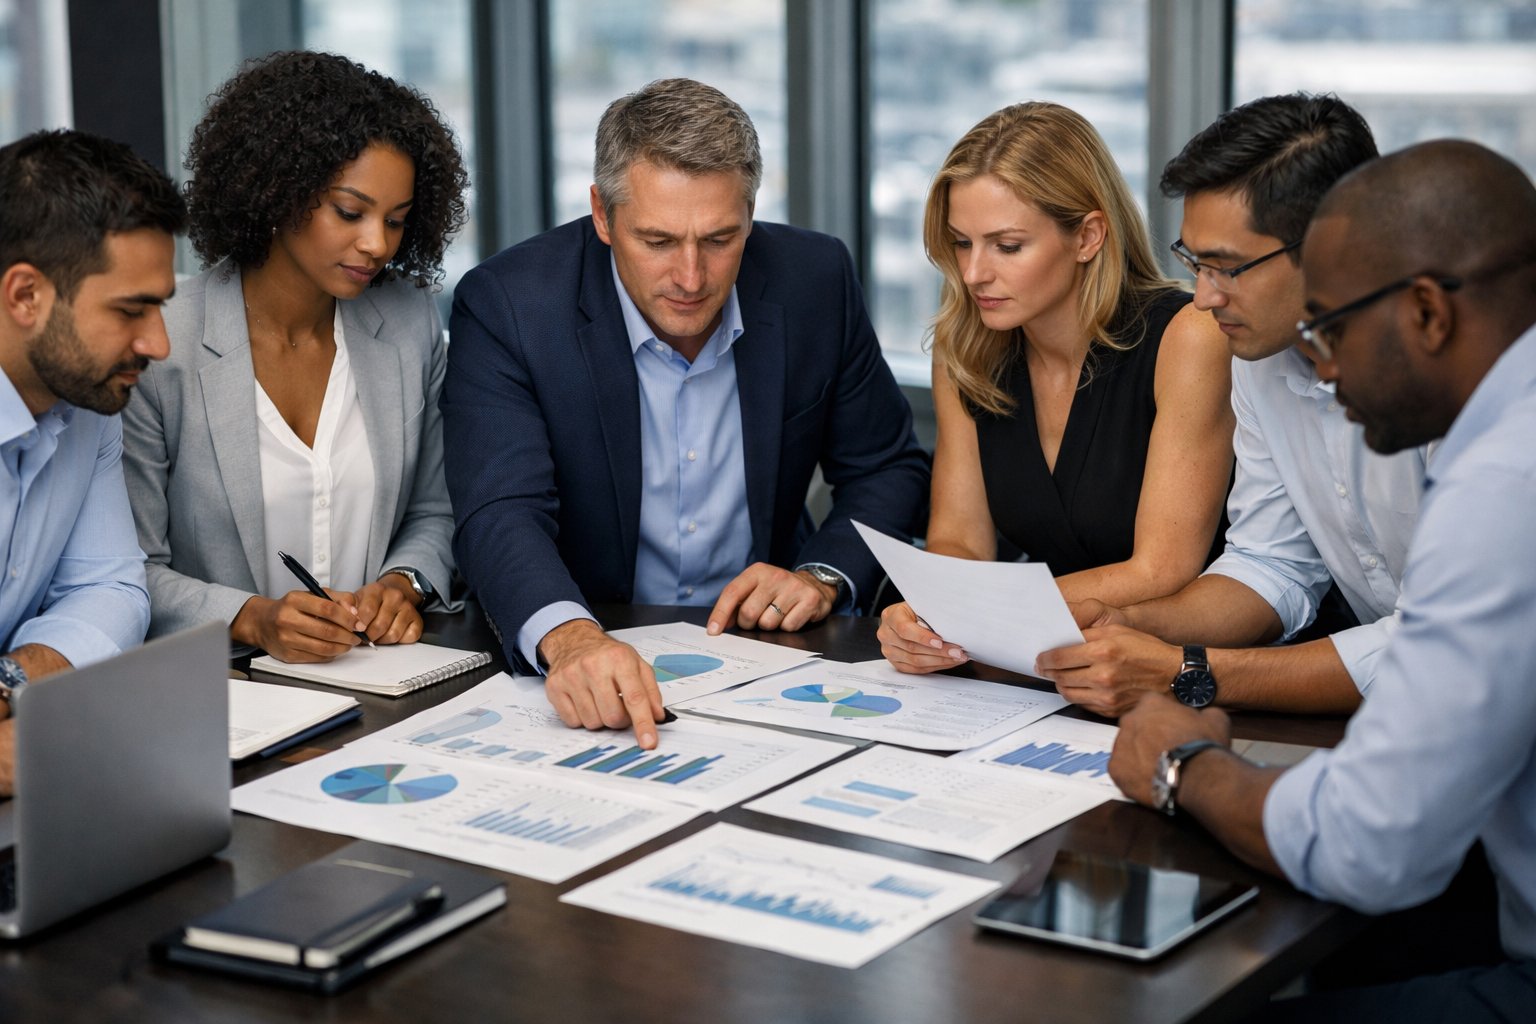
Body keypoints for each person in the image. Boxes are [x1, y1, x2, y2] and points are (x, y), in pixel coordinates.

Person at [1109, 139, 1536, 1021]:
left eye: (1329, 329)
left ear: (1428, 312)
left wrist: (1183, 764)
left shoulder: (1502, 483)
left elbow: (1369, 845)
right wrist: (1136, 630)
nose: (1322, 366)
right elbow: (1273, 560)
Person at [444, 78, 928, 749]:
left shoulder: (815, 278)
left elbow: (886, 467)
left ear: (750, 214)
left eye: (720, 239)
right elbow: (500, 510)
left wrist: (820, 577)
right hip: (589, 649)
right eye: (658, 241)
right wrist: (571, 637)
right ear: (603, 215)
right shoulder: (509, 305)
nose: (692, 278)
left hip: (772, 662)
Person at [1035, 94, 1422, 717]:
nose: (1203, 298)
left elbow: (1443, 641)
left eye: (1227, 268)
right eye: (1194, 262)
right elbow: (1272, 565)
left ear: (1334, 249)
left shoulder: (1461, 380)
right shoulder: (1260, 355)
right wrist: (1127, 624)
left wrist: (1188, 671)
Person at [123, 50, 469, 663]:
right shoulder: (162, 343)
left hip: (381, 677)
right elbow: (129, 570)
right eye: (350, 212)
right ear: (279, 191)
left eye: (396, 221)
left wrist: (404, 583)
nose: (377, 244)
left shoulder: (410, 324)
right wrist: (253, 619)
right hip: (226, 688)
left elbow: (435, 508)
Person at [877, 102, 1233, 676]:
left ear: (1088, 236)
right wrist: (924, 616)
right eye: (962, 243)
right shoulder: (965, 345)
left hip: (1190, 666)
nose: (973, 273)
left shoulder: (1189, 336)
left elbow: (1162, 570)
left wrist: (972, 612)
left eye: (1007, 246)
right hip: (1050, 662)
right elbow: (960, 542)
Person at [0, 129, 184, 793]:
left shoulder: (91, 401)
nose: (158, 344)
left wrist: (11, 682)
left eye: (159, 307)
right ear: (26, 295)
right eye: (132, 310)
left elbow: (109, 591)